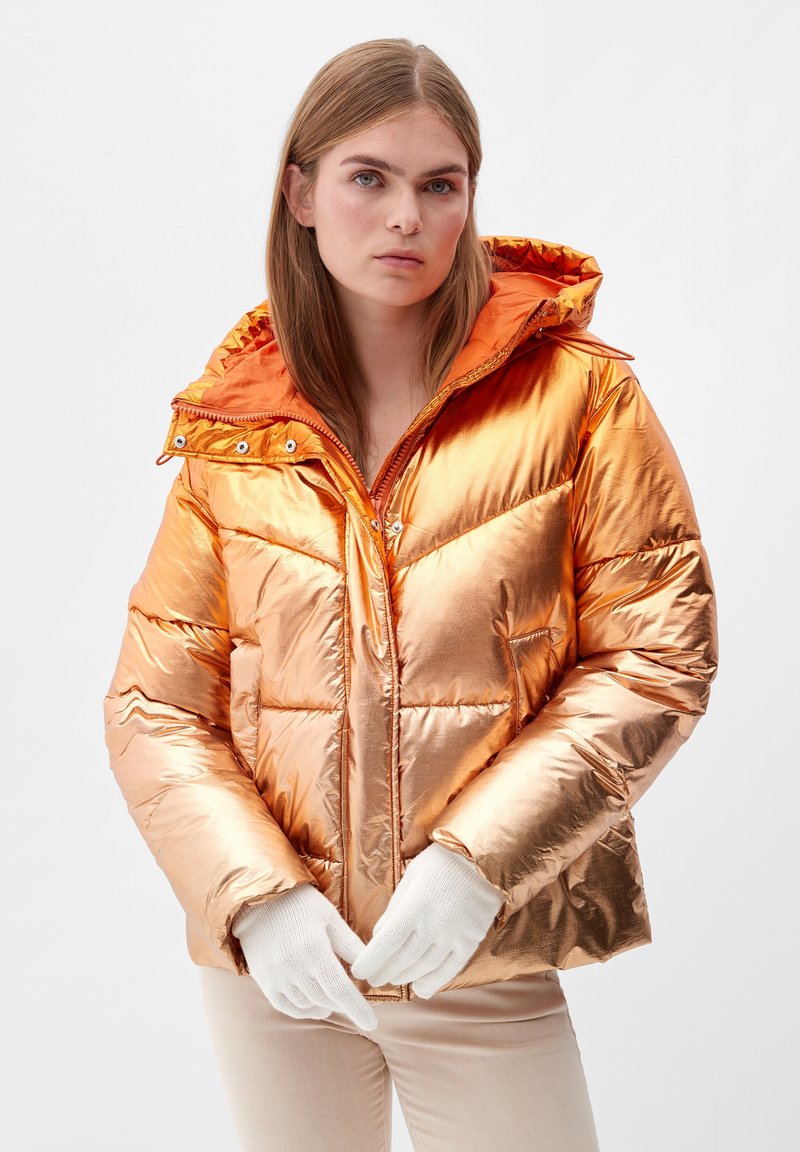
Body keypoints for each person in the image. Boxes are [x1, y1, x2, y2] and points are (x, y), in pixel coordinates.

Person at [103, 37, 718, 1152]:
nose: (406, 217)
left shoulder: (579, 399)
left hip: (477, 947)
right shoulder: (237, 432)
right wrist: (257, 899)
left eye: (441, 185)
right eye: (368, 178)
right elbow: (156, 704)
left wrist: (476, 865)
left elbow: (655, 657)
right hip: (283, 971)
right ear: (299, 193)